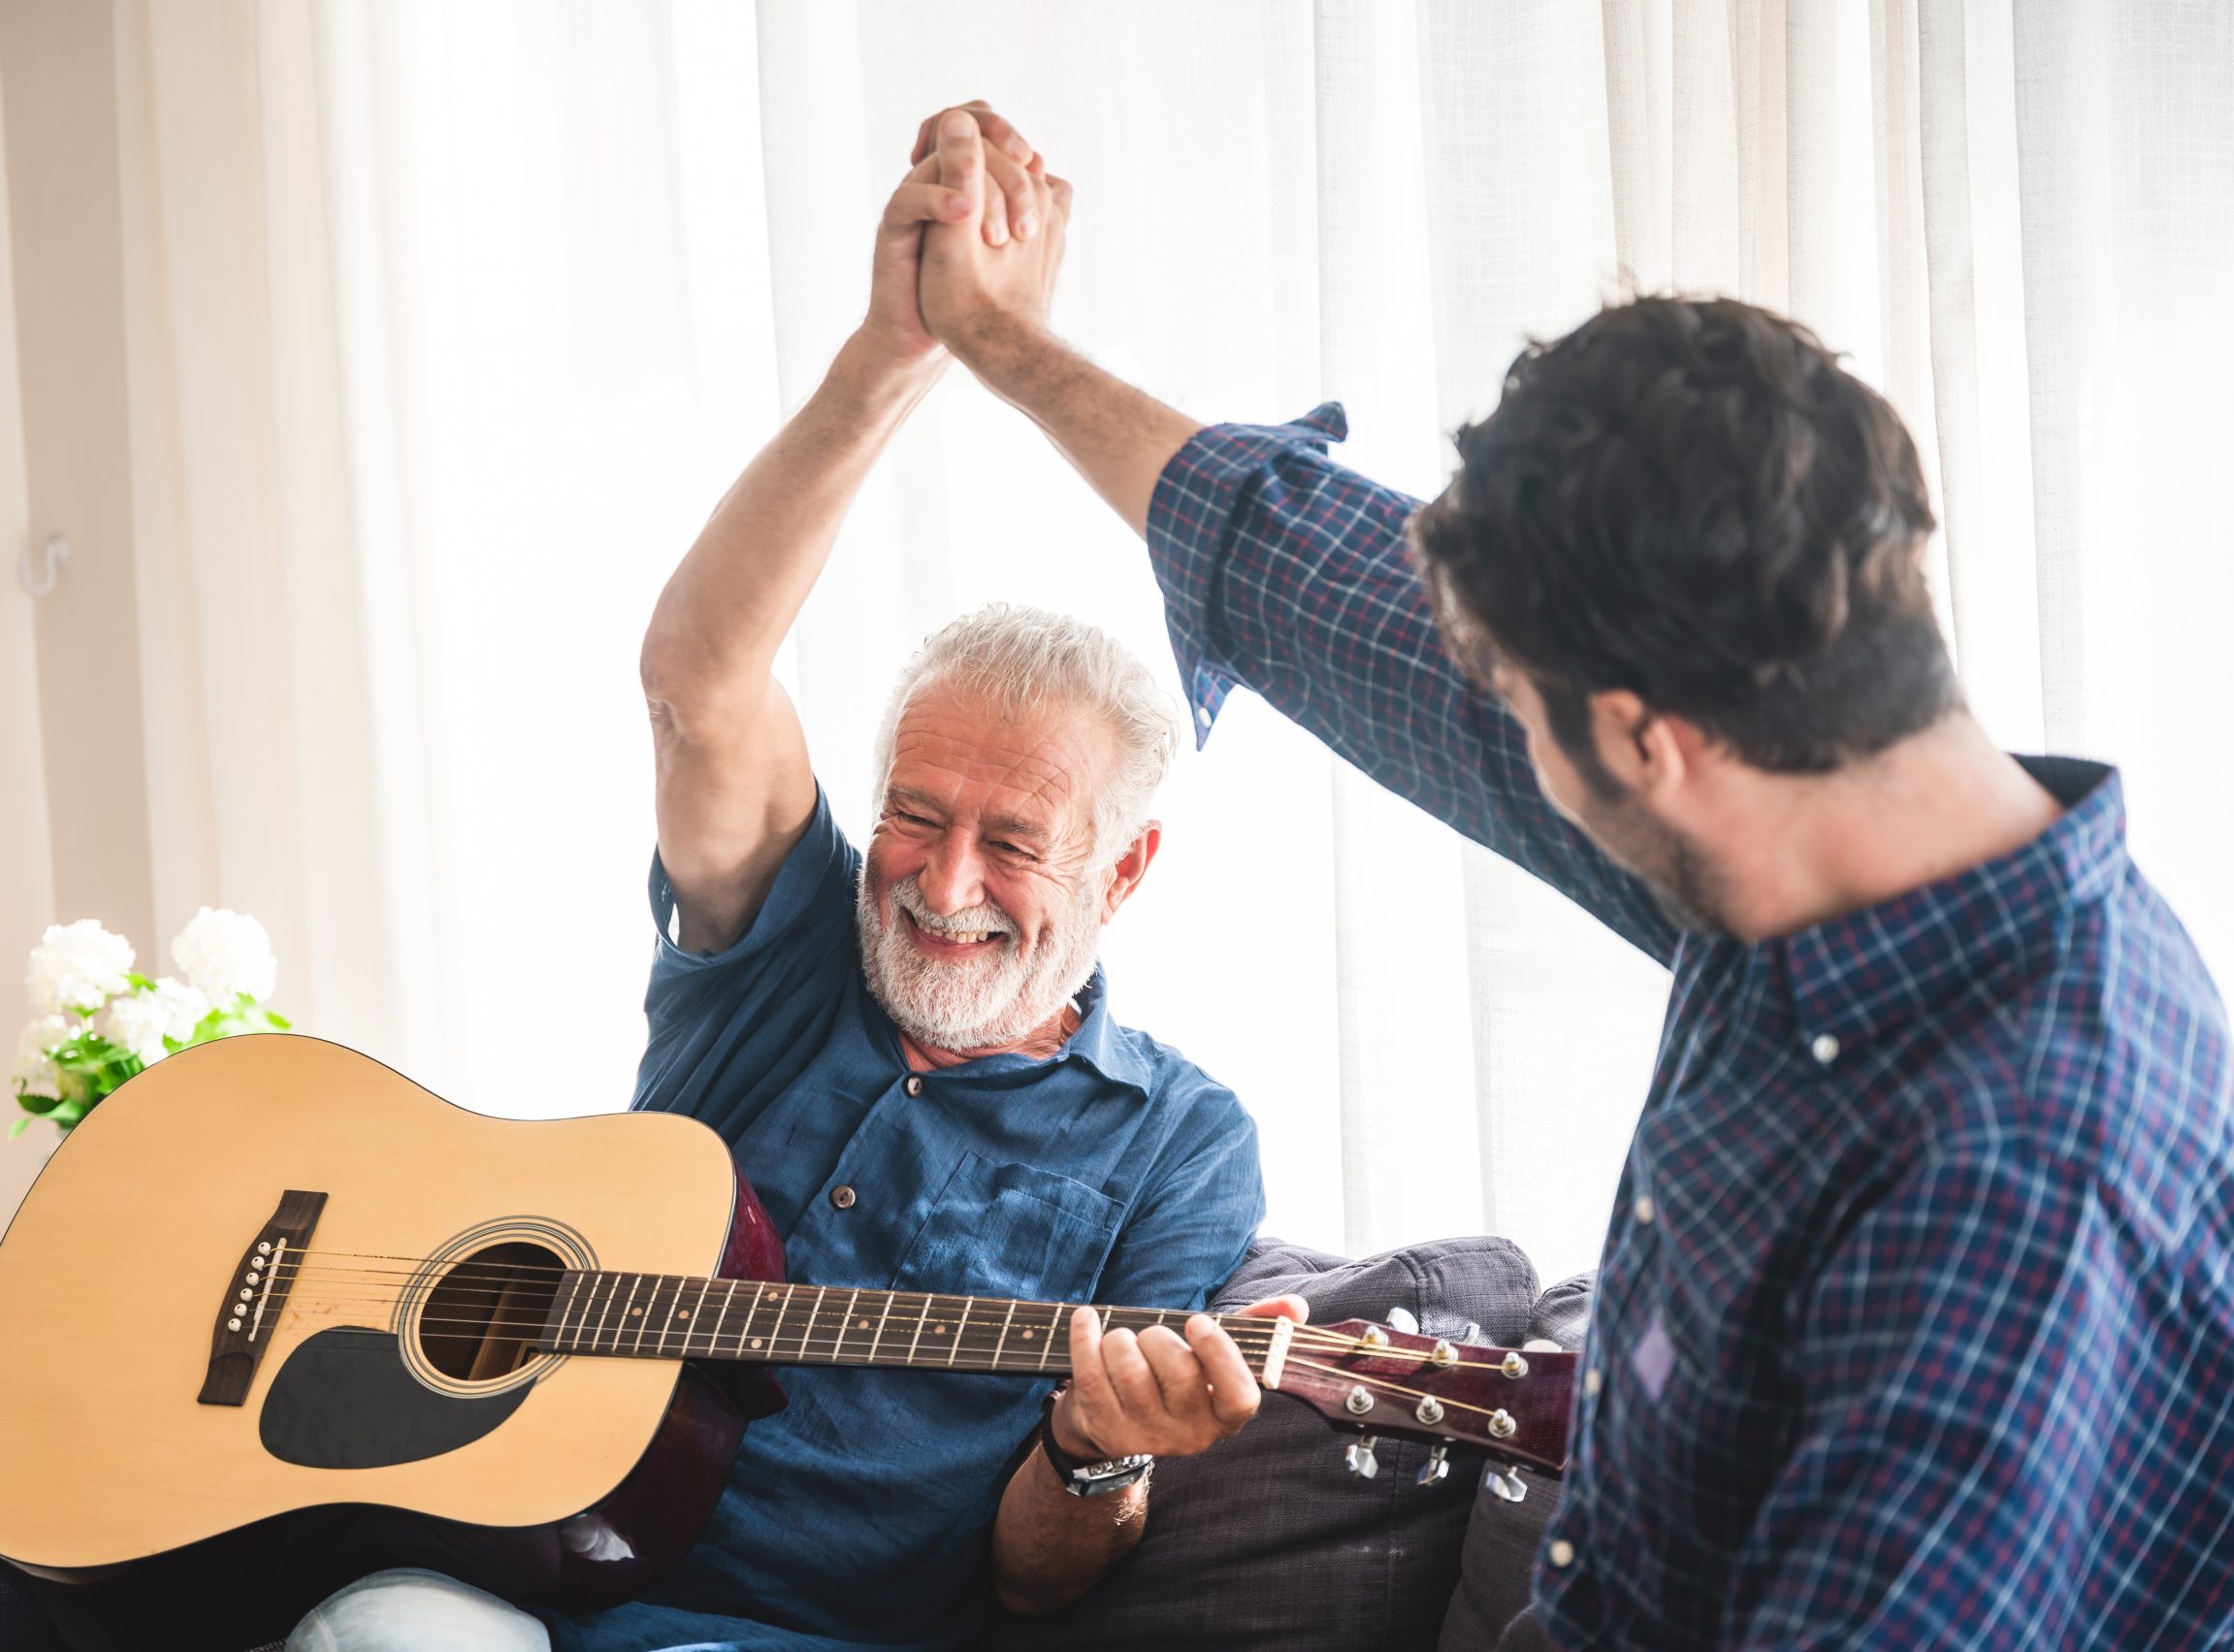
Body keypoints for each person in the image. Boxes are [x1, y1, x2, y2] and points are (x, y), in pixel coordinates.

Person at [903, 103, 2234, 1650]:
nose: (1502, 746)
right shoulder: (1816, 795)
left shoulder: (2006, 1197)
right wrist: (999, 341)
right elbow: (1316, 579)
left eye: (1526, 722)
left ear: (1647, 741)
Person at [288, 116, 1301, 1652]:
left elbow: (1037, 1579)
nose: (944, 880)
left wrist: (1098, 1453)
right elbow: (702, 678)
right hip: (502, 1582)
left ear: (1127, 866)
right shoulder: (787, 945)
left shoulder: (1182, 1142)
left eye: (1015, 841)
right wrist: (895, 351)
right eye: (915, 813)